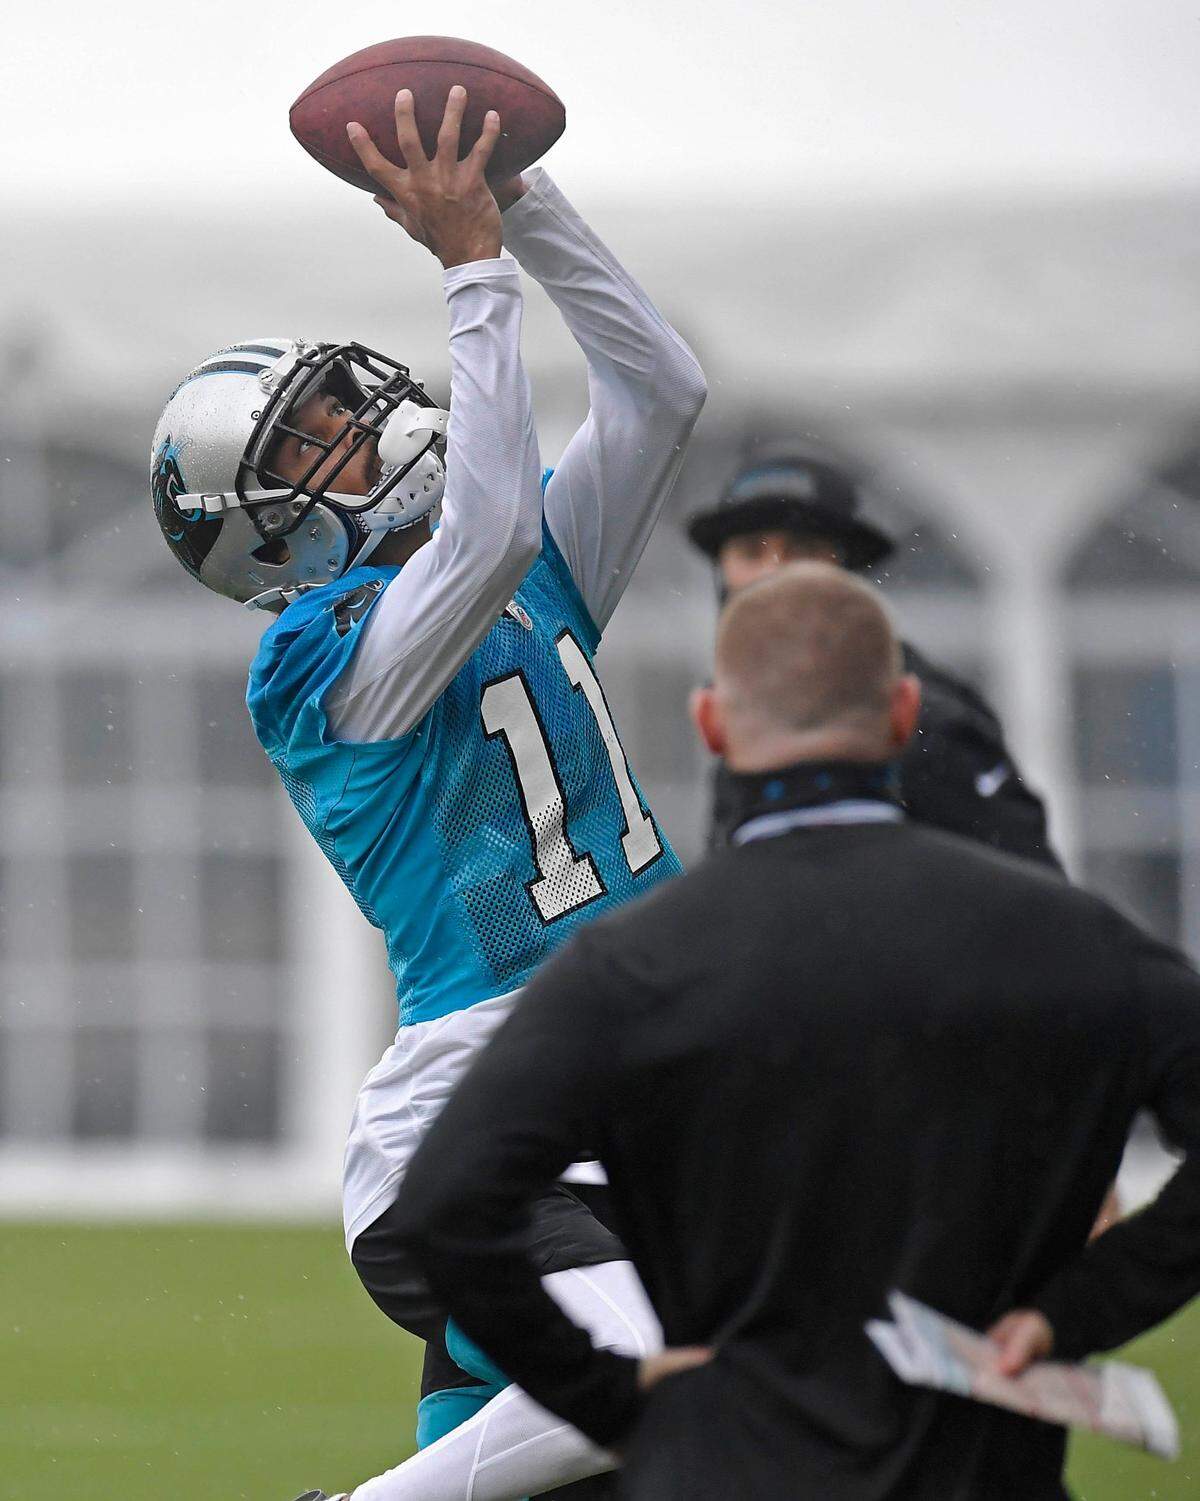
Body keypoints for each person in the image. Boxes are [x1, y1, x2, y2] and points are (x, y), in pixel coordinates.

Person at [150, 87, 705, 1501]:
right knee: (644, 1388)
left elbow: (661, 390)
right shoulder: (315, 659)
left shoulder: (511, 562)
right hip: (476, 1127)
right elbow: (496, 518)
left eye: (344, 399)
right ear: (264, 532)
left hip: (627, 1114)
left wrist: (523, 198)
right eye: (314, 437)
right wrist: (473, 270)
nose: (366, 420)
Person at [390, 562, 1200, 1501]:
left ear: (713, 726)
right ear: (902, 716)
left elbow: (449, 1204)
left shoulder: (634, 967)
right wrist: (1079, 1309)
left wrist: (615, 1399)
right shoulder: (1064, 938)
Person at [686, 443, 1061, 866]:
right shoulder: (737, 715)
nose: (773, 571)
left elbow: (1032, 896)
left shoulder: (930, 721)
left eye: (803, 549)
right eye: (751, 551)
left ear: (849, 566)